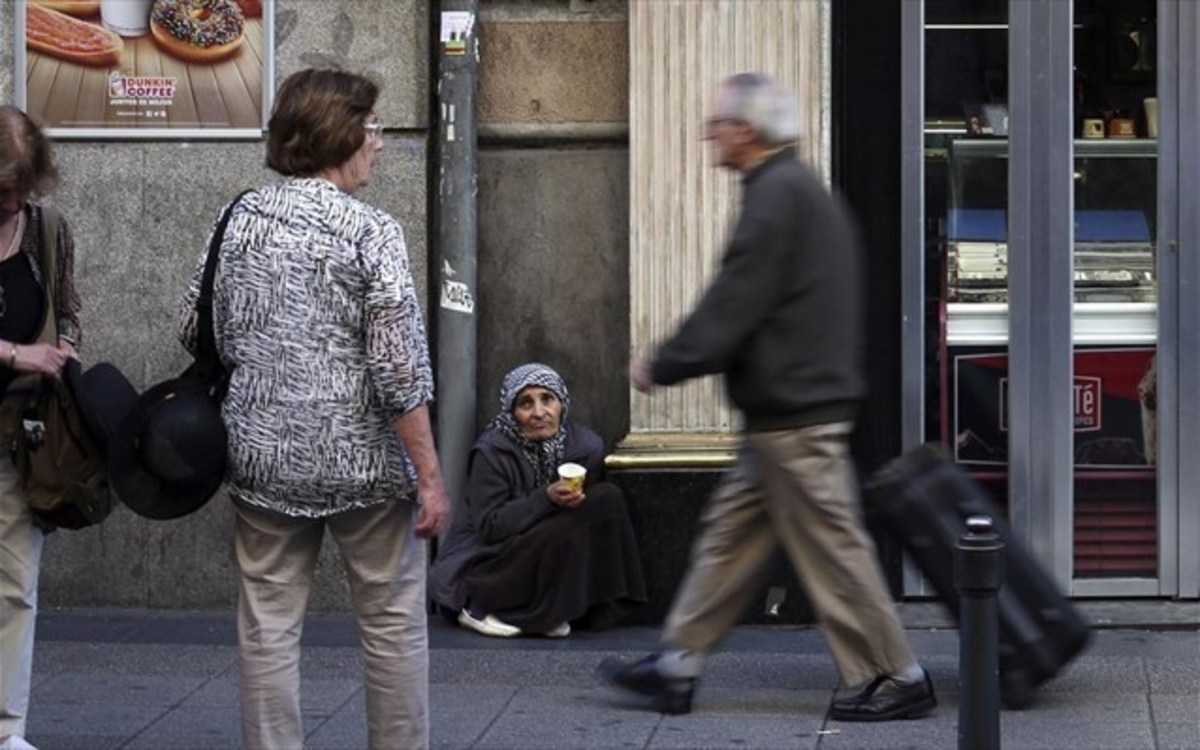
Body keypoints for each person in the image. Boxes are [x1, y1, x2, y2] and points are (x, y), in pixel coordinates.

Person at [597, 73, 936, 722]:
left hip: (795, 418)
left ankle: (898, 674)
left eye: (718, 124)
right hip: (785, 412)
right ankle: (677, 665)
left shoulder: (777, 197)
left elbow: (734, 303)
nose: (710, 135)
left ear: (745, 132)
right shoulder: (798, 189)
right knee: (729, 538)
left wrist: (662, 366)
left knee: (835, 549)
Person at [177, 69, 450, 750]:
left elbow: (192, 326)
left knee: (267, 626)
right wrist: (431, 475)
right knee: (390, 620)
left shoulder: (236, 218)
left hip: (262, 459)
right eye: (375, 129)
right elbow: (398, 366)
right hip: (364, 464)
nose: (381, 145)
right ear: (344, 134)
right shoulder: (372, 232)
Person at [429, 363, 646, 638]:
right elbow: (490, 528)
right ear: (512, 412)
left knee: (606, 498)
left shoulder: (584, 446)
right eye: (526, 403)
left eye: (547, 399)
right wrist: (545, 498)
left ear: (562, 405)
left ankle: (560, 609)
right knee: (557, 531)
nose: (539, 413)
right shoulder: (493, 452)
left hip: (550, 546)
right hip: (494, 558)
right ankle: (479, 605)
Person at [0, 106, 82, 750]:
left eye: (24, 185)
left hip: (20, 436)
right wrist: (12, 352)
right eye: (4, 187)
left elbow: (69, 305)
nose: (15, 199)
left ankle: (9, 730)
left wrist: (64, 350)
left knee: (15, 587)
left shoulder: (47, 230)